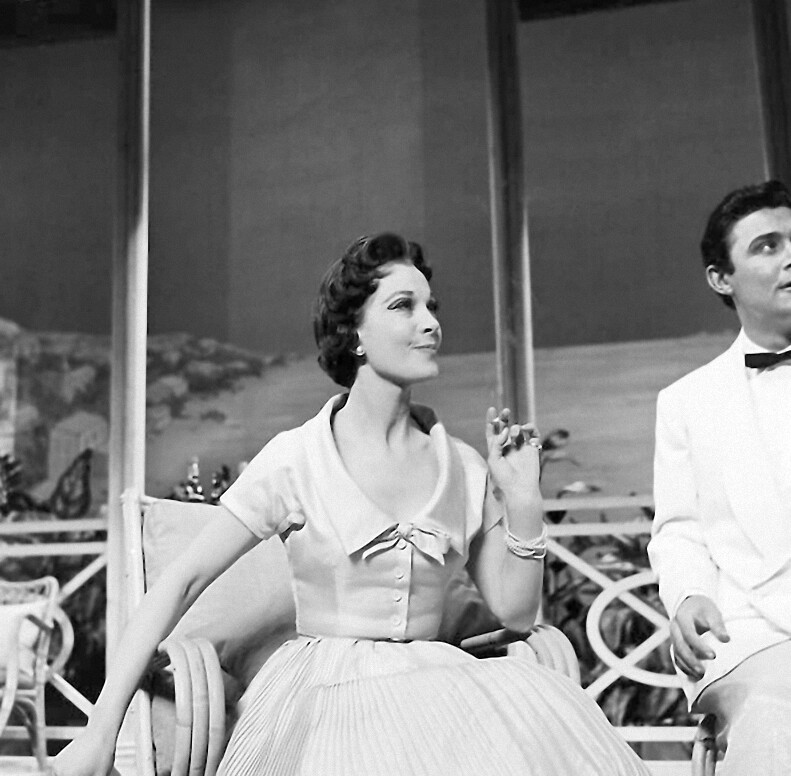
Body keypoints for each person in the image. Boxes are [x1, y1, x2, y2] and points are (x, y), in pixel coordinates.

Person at [54, 232, 648, 775]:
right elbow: (181, 582)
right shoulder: (297, 458)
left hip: (445, 701)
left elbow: (516, 613)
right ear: (353, 334)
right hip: (320, 704)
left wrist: (523, 499)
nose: (430, 323)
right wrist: (100, 732)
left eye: (431, 306)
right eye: (403, 306)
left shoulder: (463, 465)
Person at [648, 181, 791, 774]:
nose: (790, 256)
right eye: (767, 245)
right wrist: (688, 595)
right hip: (749, 629)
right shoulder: (689, 402)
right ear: (720, 279)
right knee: (778, 714)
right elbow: (678, 530)